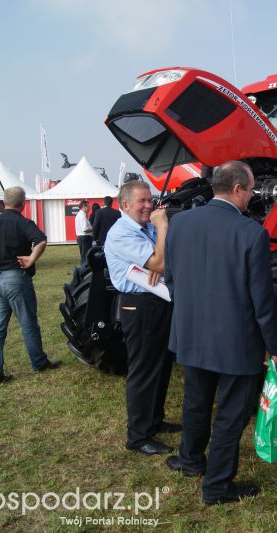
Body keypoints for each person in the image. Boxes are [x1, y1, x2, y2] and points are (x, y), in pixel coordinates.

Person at [163, 161, 277, 506]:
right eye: (250, 190)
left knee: (196, 401)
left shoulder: (180, 222)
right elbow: (261, 298)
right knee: (230, 413)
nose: (252, 197)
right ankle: (216, 486)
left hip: (191, 333)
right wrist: (272, 344)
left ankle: (190, 459)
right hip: (235, 340)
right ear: (237, 190)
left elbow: (172, 278)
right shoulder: (251, 232)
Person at [104, 181, 179, 456]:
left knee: (161, 364)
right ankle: (138, 436)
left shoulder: (143, 229)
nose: (149, 205)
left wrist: (158, 256)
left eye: (150, 199)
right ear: (125, 205)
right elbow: (159, 263)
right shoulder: (122, 233)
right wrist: (162, 229)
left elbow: (163, 261)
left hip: (157, 301)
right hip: (139, 306)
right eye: (142, 201)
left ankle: (154, 420)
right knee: (144, 370)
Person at [0, 186, 60, 384]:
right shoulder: (23, 222)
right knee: (28, 323)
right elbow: (41, 240)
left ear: (4, 202)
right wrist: (31, 260)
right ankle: (39, 362)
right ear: (23, 203)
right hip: (15, 278)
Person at [75, 200, 93, 265]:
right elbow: (84, 229)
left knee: (84, 256)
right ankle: (84, 271)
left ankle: (84, 269)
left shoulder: (81, 215)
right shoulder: (82, 216)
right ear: (84, 207)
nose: (89, 208)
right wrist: (93, 229)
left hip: (83, 238)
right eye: (88, 207)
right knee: (85, 256)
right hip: (85, 238)